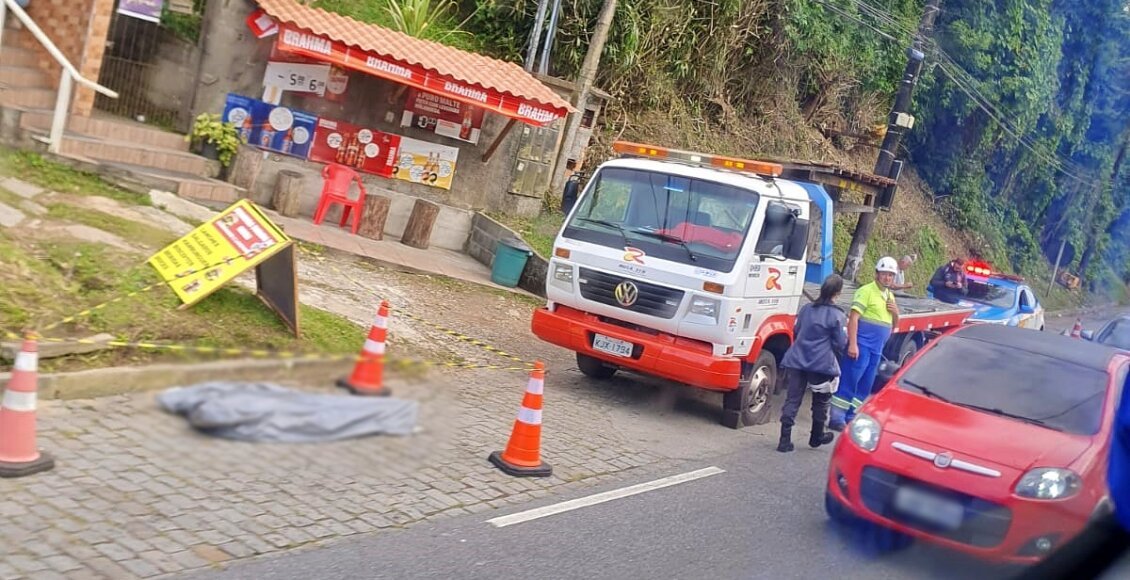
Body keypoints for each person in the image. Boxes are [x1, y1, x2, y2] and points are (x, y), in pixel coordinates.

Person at [776, 274, 847, 452]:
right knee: (821, 401)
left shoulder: (807, 309)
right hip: (821, 365)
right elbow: (840, 343)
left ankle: (784, 440)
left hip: (797, 359)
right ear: (837, 293)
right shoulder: (837, 315)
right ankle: (816, 437)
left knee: (792, 399)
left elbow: (797, 330)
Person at [830, 257, 900, 431]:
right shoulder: (866, 291)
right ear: (877, 274)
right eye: (884, 274)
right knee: (850, 380)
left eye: (891, 275)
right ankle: (836, 417)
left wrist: (896, 312)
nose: (887, 278)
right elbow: (853, 319)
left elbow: (894, 324)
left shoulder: (889, 295)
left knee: (866, 384)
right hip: (862, 345)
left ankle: (851, 415)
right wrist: (853, 344)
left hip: (876, 349)